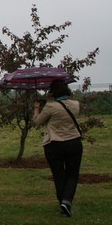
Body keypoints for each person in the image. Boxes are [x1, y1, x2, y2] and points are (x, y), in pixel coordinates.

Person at [34, 79, 83, 217]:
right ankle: (66, 202)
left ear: (53, 92)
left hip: (54, 144)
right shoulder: (75, 105)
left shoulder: (50, 107)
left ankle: (63, 203)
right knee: (72, 175)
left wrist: (37, 108)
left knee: (59, 175)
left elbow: (38, 122)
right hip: (74, 143)